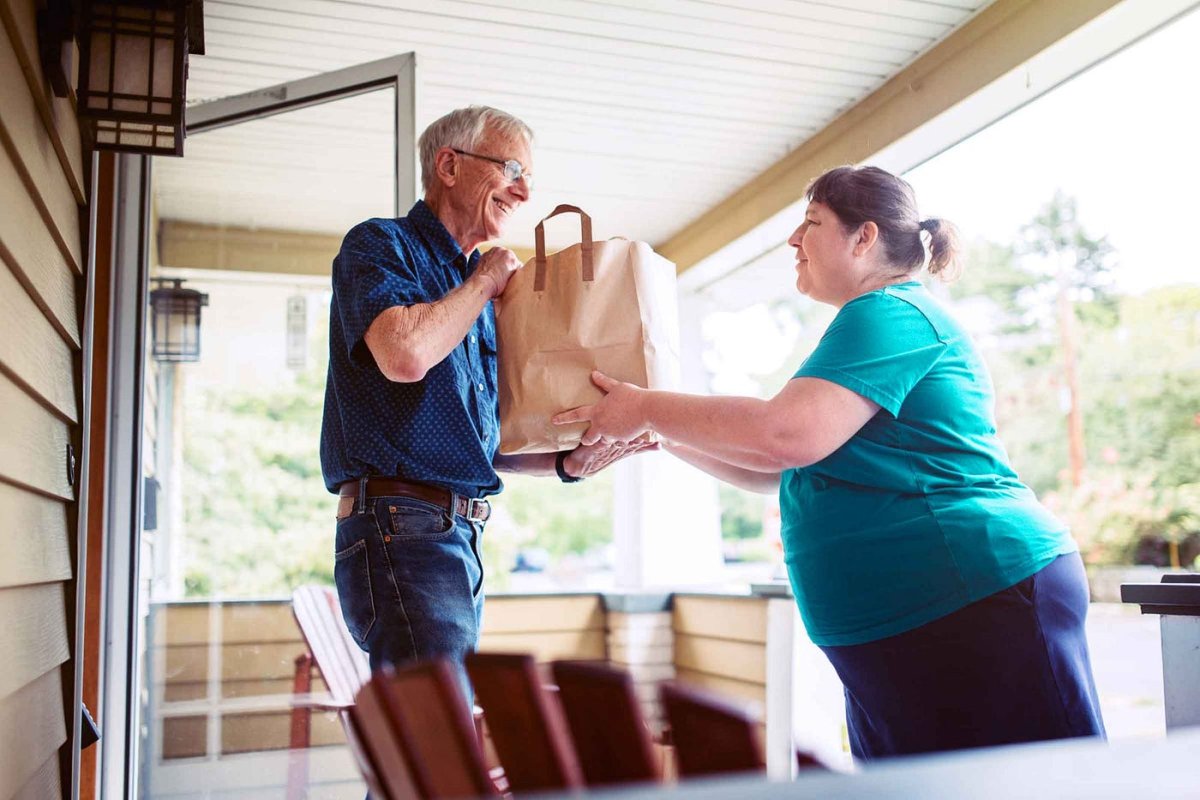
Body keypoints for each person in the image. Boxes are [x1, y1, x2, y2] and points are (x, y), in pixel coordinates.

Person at [554, 165, 1106, 759]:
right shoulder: (867, 324)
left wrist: (647, 408)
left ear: (863, 238)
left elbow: (785, 435)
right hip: (908, 625)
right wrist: (662, 437)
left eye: (812, 223)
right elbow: (780, 470)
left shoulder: (891, 312)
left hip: (974, 596)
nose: (793, 240)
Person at [320, 106, 647, 693]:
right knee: (434, 754)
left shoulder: (478, 299)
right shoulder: (380, 245)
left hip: (449, 533)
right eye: (512, 168)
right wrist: (483, 283)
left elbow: (477, 446)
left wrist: (569, 463)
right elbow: (404, 355)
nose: (524, 191)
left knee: (427, 755)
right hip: (403, 527)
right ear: (449, 164)